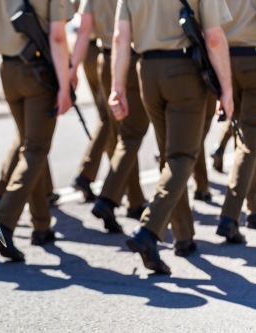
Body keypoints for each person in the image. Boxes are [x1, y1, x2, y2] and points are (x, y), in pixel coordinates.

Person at [111, 0, 233, 274]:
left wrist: (117, 86)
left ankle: (183, 236)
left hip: (147, 72)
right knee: (182, 156)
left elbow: (120, 38)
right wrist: (226, 89)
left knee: (170, 156)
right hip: (183, 70)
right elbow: (213, 37)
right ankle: (148, 230)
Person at [0, 0, 73, 260]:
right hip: (38, 73)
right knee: (35, 150)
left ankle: (41, 225)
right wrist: (65, 85)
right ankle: (3, 223)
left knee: (30, 145)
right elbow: (59, 37)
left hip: (8, 72)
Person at [71, 0, 149, 233]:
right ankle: (108, 198)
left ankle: (134, 200)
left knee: (120, 133)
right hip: (130, 57)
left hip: (102, 56)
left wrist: (72, 67)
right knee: (129, 135)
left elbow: (83, 25)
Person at [216, 0, 256, 243]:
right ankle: (230, 217)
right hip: (251, 57)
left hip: (224, 58)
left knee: (245, 138)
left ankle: (253, 209)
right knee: (249, 142)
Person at [70, 9, 118, 204]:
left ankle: (118, 182)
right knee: (110, 118)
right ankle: (88, 175)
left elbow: (73, 10)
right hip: (106, 49)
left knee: (108, 118)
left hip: (91, 49)